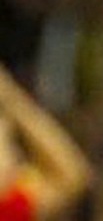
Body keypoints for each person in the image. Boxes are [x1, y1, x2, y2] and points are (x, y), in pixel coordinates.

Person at [0, 65, 91, 221]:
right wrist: (11, 97)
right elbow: (72, 175)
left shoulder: (12, 205)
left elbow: (73, 176)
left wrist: (10, 97)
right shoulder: (11, 206)